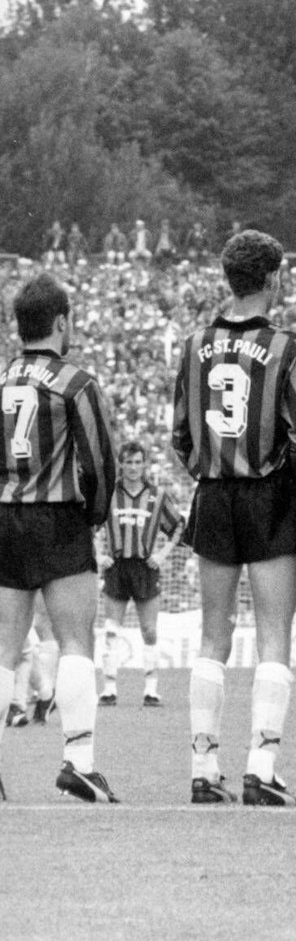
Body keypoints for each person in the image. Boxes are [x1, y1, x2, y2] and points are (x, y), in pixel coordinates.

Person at [172, 230, 296, 806]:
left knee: (214, 633)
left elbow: (181, 437)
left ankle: (203, 767)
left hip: (213, 495)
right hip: (270, 495)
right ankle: (262, 765)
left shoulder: (193, 344)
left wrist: (213, 471)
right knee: (275, 632)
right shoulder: (289, 346)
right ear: (274, 278)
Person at [0, 273, 120, 801]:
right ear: (61, 323)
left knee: (4, 649)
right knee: (76, 642)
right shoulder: (76, 382)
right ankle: (78, 762)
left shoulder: (2, 380)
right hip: (59, 518)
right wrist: (91, 517)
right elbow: (101, 463)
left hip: (6, 518)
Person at [100, 440, 184, 708]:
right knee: (111, 630)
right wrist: (97, 554)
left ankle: (151, 689)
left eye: (138, 462)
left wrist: (162, 554)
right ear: (121, 464)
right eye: (129, 462)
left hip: (145, 569)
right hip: (116, 567)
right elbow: (87, 525)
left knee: (149, 630)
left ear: (144, 464)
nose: (134, 467)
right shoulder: (107, 495)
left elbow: (179, 526)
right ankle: (109, 689)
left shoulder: (156, 496)